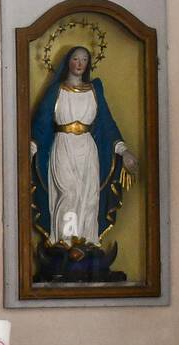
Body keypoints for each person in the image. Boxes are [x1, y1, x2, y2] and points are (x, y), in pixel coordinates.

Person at [30, 46, 139, 249]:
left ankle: (86, 244)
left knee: (88, 196)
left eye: (84, 60)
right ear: (67, 62)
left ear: (88, 64)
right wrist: (30, 149)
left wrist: (124, 151)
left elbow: (107, 124)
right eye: (75, 59)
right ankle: (64, 242)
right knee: (68, 193)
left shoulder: (94, 91)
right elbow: (41, 123)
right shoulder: (57, 90)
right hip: (63, 146)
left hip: (87, 149)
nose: (79, 64)